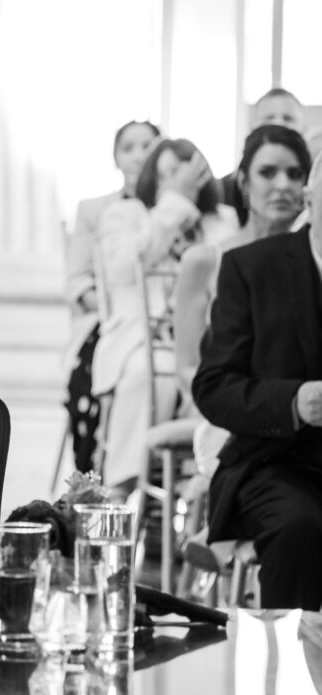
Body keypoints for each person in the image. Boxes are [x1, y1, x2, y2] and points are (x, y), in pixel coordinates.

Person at [192, 153, 322, 610]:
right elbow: (213, 386)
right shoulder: (251, 267)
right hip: (274, 462)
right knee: (301, 526)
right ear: (312, 193)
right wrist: (294, 401)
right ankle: (296, 671)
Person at [91, 137, 236, 491]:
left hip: (204, 342)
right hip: (142, 342)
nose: (176, 180)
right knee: (147, 376)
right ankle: (122, 488)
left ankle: (207, 487)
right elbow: (125, 267)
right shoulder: (126, 215)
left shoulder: (223, 220)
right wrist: (175, 205)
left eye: (183, 172)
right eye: (167, 173)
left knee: (221, 384)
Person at [173, 125, 310, 479]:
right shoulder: (205, 261)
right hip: (223, 411)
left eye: (295, 174)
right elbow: (187, 366)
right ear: (244, 183)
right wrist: (237, 410)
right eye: (268, 172)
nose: (283, 185)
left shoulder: (315, 265)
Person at [63, 120, 161, 473]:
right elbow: (78, 284)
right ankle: (96, 476)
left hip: (162, 323)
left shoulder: (168, 210)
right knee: (103, 366)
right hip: (105, 322)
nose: (139, 155)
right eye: (129, 147)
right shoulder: (94, 210)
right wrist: (119, 315)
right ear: (116, 158)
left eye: (148, 146)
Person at [219, 88, 307, 221]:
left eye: (288, 118)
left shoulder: (316, 184)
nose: (279, 124)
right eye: (269, 118)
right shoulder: (224, 190)